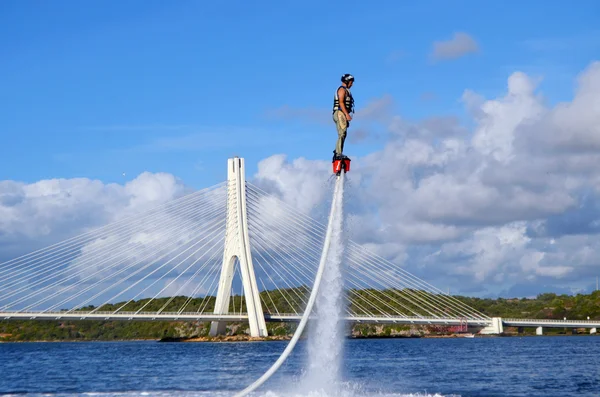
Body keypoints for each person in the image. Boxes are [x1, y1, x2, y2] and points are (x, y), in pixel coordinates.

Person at [332, 74, 355, 160]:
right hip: (339, 112)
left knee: (344, 133)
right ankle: (338, 153)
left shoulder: (347, 91)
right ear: (346, 81)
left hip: (342, 113)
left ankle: (338, 151)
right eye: (351, 82)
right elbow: (341, 103)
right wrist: (346, 114)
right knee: (342, 133)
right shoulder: (342, 90)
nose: (352, 84)